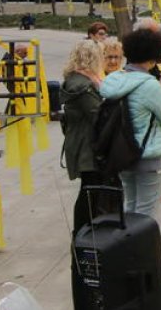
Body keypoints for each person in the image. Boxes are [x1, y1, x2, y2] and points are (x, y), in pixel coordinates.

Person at [99, 28, 161, 217]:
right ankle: (139, 247)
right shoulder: (149, 85)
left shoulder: (113, 80)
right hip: (149, 156)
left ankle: (127, 244)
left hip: (123, 153)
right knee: (145, 214)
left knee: (130, 207)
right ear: (153, 56)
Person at [60, 39, 118, 233]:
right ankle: (82, 234)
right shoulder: (81, 84)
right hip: (86, 146)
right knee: (89, 191)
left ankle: (85, 232)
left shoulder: (81, 80)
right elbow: (98, 114)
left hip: (84, 143)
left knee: (90, 190)